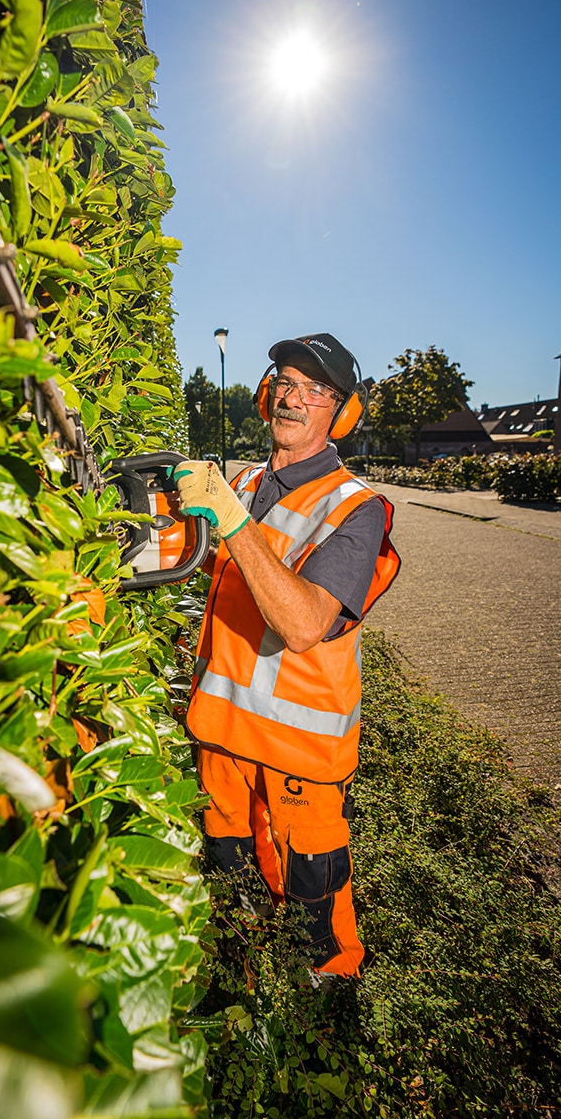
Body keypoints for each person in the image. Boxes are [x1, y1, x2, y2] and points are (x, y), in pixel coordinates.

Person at [175, 332, 400, 979]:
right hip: (221, 740)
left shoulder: (355, 510)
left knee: (316, 931)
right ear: (265, 395)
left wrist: (233, 521)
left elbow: (303, 623)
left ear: (343, 414)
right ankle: (247, 1008)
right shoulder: (240, 482)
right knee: (234, 901)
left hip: (299, 762)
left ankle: (324, 1041)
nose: (293, 398)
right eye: (285, 382)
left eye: (314, 389)